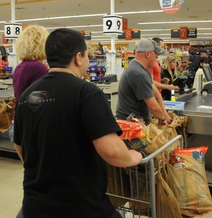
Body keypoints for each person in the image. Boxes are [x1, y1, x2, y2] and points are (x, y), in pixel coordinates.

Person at [13, 28, 142, 218]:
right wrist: (134, 156)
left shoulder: (26, 97)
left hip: (35, 206)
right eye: (87, 55)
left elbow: (20, 146)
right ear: (78, 57)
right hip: (80, 206)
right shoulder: (87, 93)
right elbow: (112, 151)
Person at [116, 38, 171, 125]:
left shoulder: (142, 69)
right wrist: (163, 119)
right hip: (130, 125)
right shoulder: (138, 74)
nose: (157, 57)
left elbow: (156, 95)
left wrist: (165, 114)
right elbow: (153, 107)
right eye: (156, 53)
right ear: (147, 54)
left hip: (137, 122)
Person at [9, 25, 49, 144]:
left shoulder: (19, 67)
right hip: (32, 126)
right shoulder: (39, 68)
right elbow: (39, 103)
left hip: (18, 123)